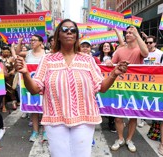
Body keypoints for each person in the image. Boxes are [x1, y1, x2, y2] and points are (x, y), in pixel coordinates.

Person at [14, 19, 129, 157]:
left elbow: (102, 87)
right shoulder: (48, 59)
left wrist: (114, 74)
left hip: (84, 118)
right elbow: (34, 89)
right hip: (55, 119)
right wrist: (26, 73)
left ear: (76, 36)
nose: (69, 32)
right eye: (65, 29)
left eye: (73, 30)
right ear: (58, 35)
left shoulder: (87, 59)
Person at [111, 25, 148, 152]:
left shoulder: (140, 49)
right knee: (118, 116)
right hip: (120, 87)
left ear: (136, 35)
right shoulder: (120, 50)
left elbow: (146, 53)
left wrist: (137, 34)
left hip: (135, 88)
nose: (127, 35)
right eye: (126, 33)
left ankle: (129, 139)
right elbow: (112, 64)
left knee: (133, 116)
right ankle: (120, 138)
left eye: (131, 33)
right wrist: (109, 63)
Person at [15, 35, 47, 142]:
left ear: (41, 43)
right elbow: (18, 52)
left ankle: (46, 131)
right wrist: (20, 42)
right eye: (31, 40)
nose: (32, 42)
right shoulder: (28, 53)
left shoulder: (47, 54)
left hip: (44, 85)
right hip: (30, 85)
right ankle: (35, 131)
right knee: (34, 109)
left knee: (45, 108)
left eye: (34, 40)